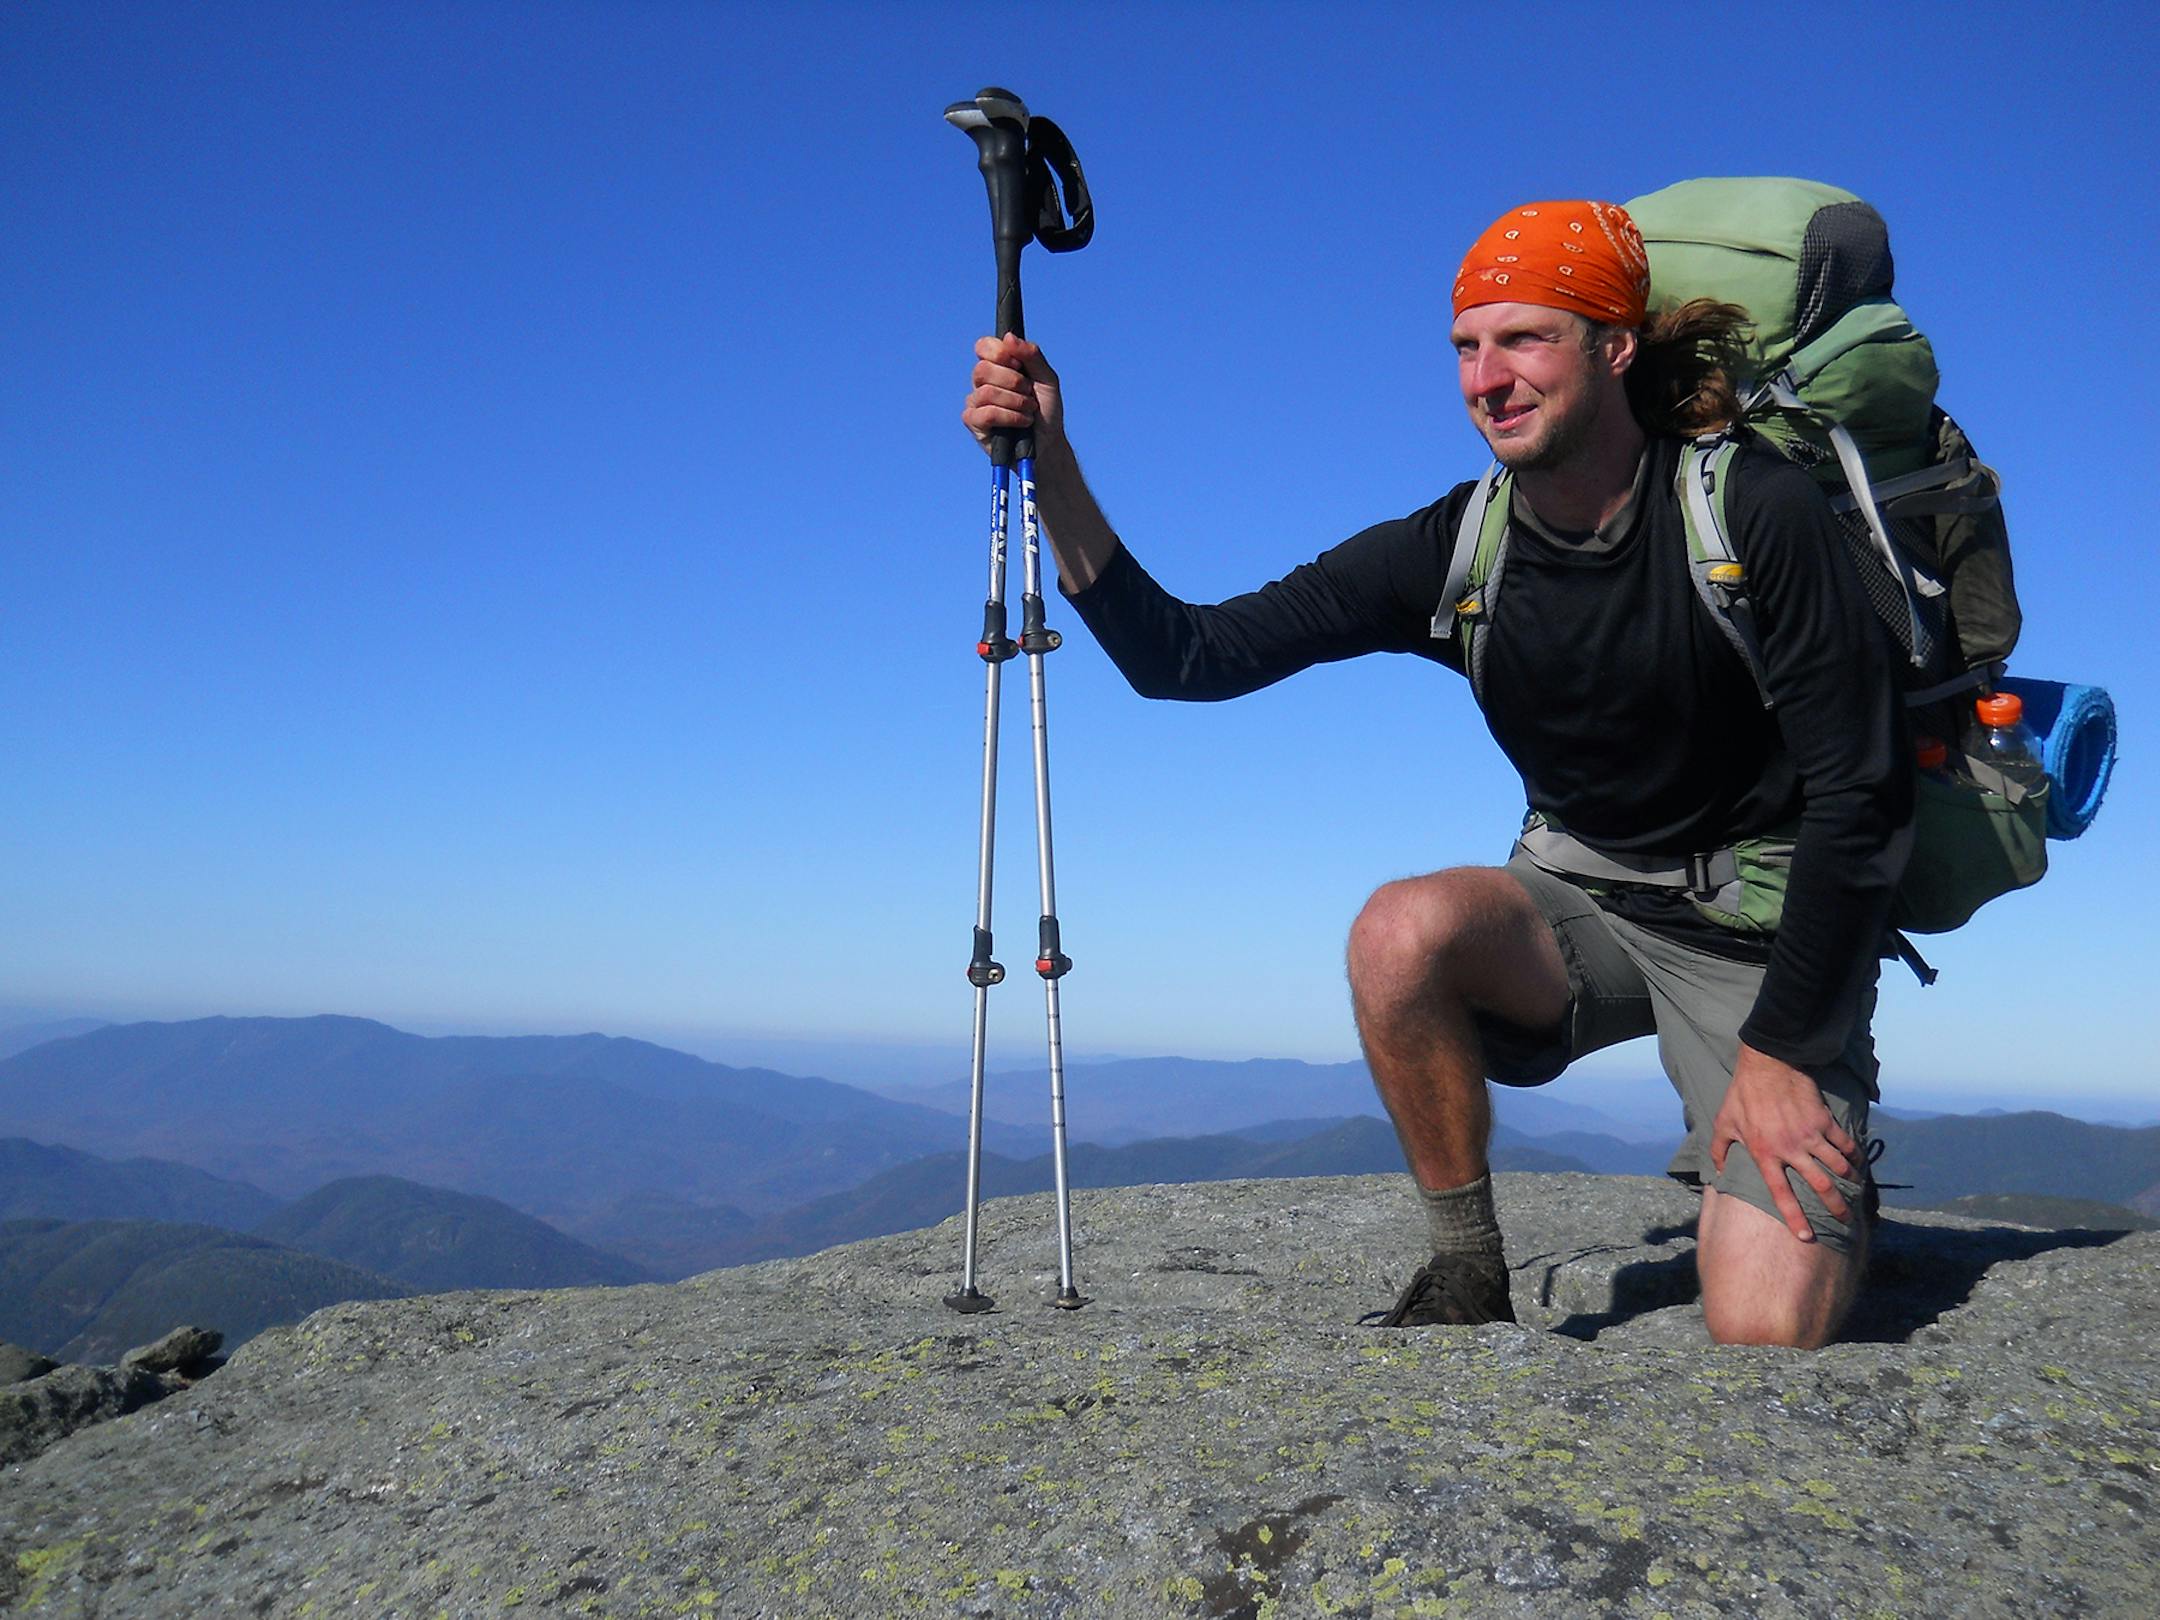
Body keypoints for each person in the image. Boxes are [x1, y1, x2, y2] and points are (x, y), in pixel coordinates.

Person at [960, 200, 1911, 1349]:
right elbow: (1186, 659)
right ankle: (1466, 1269)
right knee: (1397, 934)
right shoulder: (1462, 547)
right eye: (1468, 347)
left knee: (1763, 1327)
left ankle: (1819, 1152)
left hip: (1755, 937)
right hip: (1585, 902)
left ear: (1615, 347)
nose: (1487, 378)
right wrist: (1052, 460)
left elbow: (1863, 795)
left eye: (1526, 339)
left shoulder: (1749, 511)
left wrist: (1783, 1053)